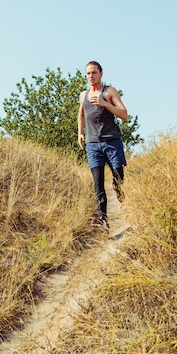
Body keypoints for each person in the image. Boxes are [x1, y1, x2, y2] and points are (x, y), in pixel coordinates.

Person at [77, 60, 128, 231]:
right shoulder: (83, 95)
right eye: (88, 73)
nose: (91, 76)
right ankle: (103, 219)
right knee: (97, 182)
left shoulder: (109, 91)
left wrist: (105, 104)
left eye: (94, 72)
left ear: (101, 73)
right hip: (93, 144)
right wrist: (80, 132)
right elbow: (81, 114)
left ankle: (117, 186)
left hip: (111, 141)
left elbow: (124, 115)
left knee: (119, 177)